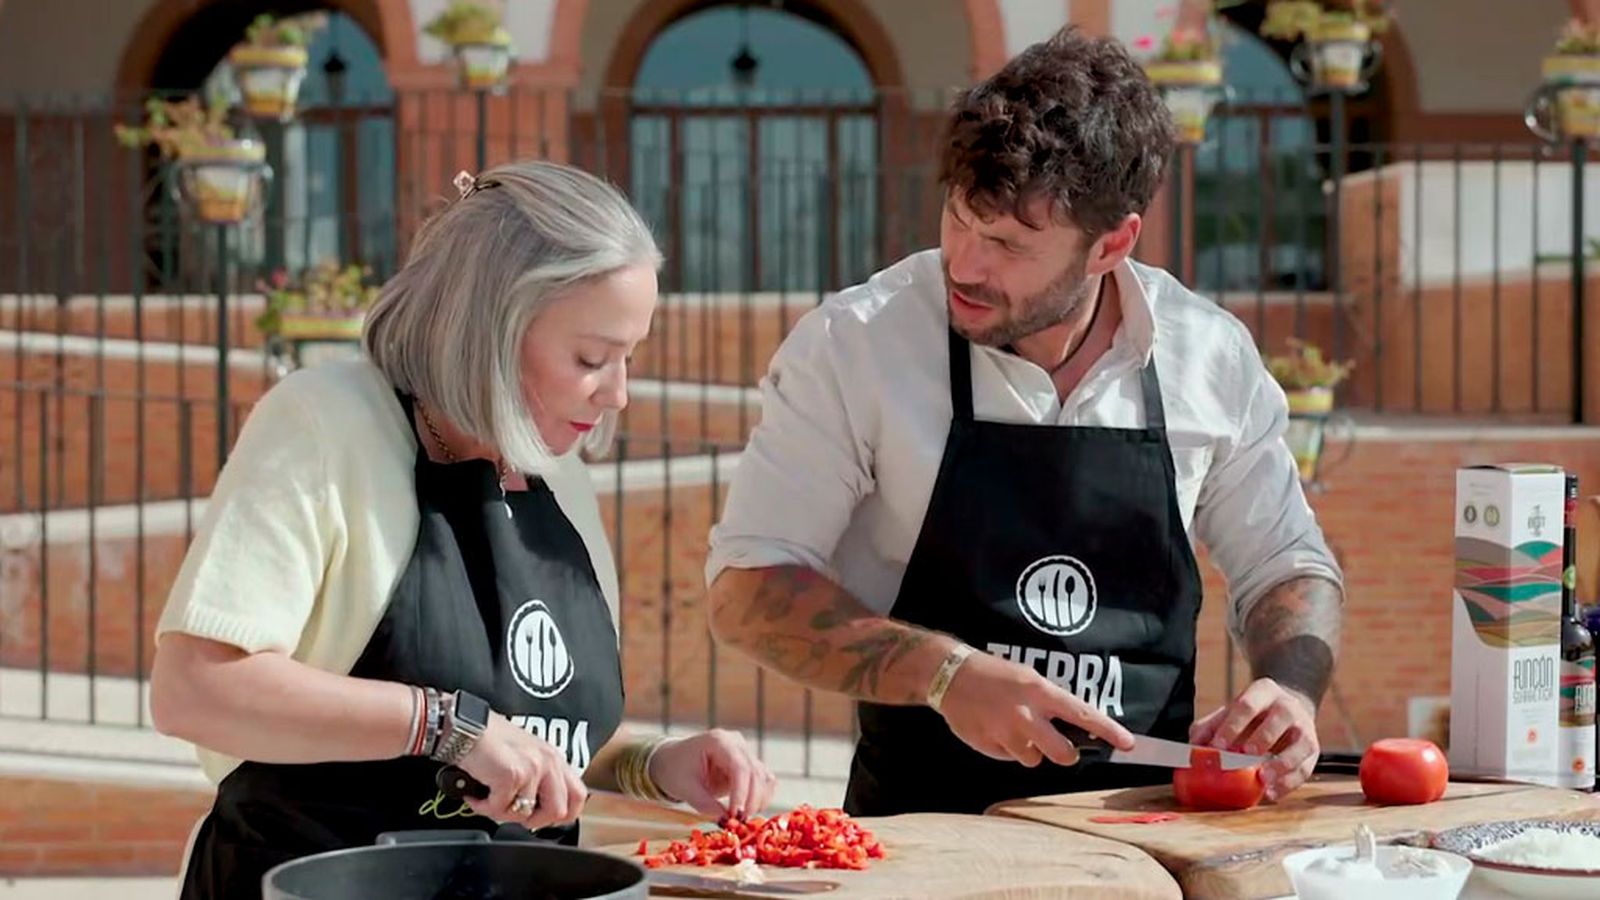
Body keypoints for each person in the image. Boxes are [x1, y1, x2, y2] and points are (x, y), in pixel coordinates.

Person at [704, 26, 1344, 817]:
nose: (966, 265)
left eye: (1008, 243)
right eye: (960, 219)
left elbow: (1286, 562)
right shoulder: (857, 346)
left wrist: (1290, 687)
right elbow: (746, 587)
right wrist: (945, 674)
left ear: (1112, 243)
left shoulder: (1206, 357)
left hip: (1142, 837)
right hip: (925, 835)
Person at [152, 160, 776, 898]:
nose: (618, 394)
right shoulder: (325, 423)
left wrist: (657, 764)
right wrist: (445, 726)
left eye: (628, 357)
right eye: (591, 358)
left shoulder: (558, 470)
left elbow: (533, 732)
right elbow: (194, 689)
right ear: (490, 326)